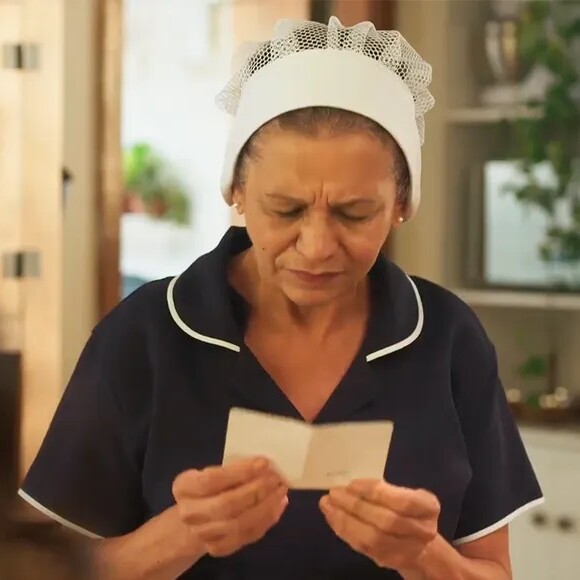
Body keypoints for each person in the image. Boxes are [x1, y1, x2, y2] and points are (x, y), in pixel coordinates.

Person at [18, 16, 543, 580]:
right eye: (285, 210)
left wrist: (424, 557)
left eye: (353, 213)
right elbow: (48, 571)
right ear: (237, 193)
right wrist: (183, 534)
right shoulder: (144, 336)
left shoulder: (447, 338)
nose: (316, 247)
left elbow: (492, 571)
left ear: (401, 204)